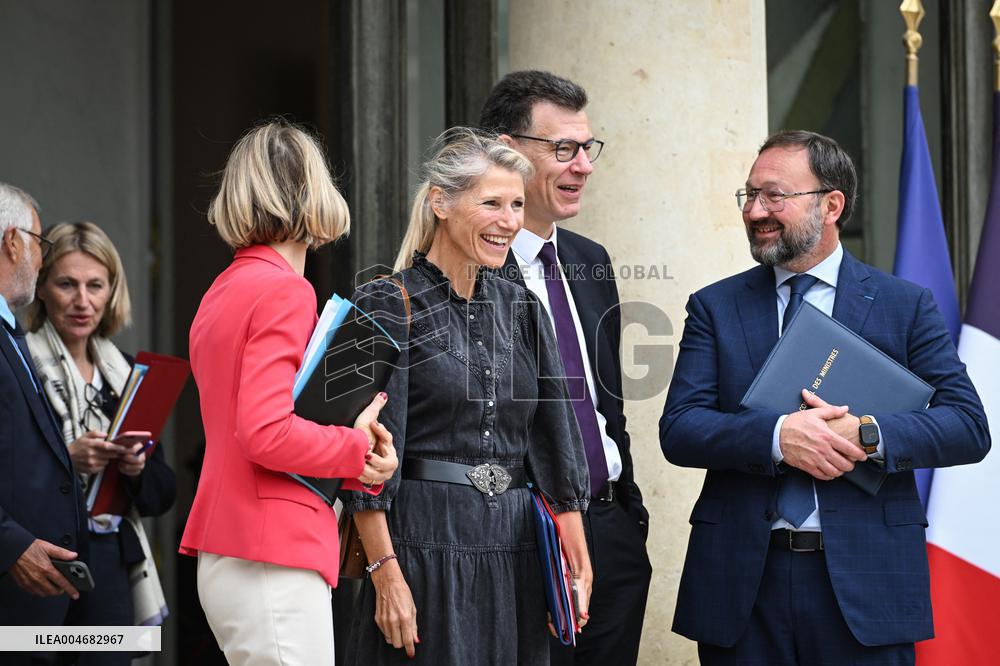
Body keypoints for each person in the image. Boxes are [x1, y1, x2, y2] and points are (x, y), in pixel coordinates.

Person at [660, 130, 991, 665]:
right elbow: (680, 428)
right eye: (749, 195)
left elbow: (968, 426)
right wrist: (777, 438)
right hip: (743, 587)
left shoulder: (903, 305)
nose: (755, 211)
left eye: (774, 196)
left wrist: (867, 433)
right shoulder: (715, 307)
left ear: (831, 204)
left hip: (868, 588)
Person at [344, 128, 593, 665]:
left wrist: (574, 556)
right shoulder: (385, 301)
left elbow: (555, 438)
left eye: (518, 205)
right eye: (492, 203)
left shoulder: (525, 308)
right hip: (420, 546)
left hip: (517, 549)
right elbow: (362, 457)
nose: (510, 221)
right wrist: (384, 573)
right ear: (441, 202)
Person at [179, 119, 398, 666]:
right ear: (309, 193)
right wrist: (356, 448)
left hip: (238, 547)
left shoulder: (224, 288)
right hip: (270, 551)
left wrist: (354, 459)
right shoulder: (284, 291)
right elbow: (265, 430)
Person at [480, 70, 652, 666]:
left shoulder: (588, 260)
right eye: (563, 149)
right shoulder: (471, 272)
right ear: (507, 151)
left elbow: (608, 405)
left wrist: (629, 518)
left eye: (587, 148)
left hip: (610, 534)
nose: (583, 165)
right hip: (521, 540)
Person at [24, 221, 175, 664]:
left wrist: (136, 468)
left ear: (112, 291)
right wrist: (67, 460)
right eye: (66, 284)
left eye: (95, 285)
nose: (82, 301)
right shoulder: (20, 366)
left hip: (109, 565)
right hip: (37, 561)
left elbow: (162, 495)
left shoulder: (129, 374)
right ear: (41, 288)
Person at [0, 184, 88, 664]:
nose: (39, 260)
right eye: (40, 244)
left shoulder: (10, 329)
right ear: (14, 242)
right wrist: (12, 546)